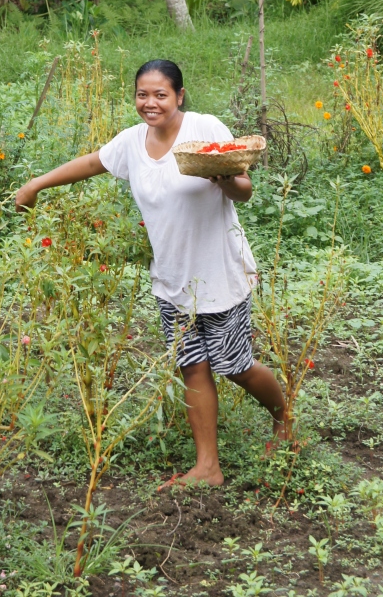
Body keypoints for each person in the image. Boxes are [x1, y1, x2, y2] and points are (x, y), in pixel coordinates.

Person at [15, 58, 285, 486]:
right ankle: (208, 467)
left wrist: (224, 180)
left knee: (235, 366)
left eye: (161, 94)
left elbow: (244, 190)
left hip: (218, 273)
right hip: (172, 278)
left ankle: (284, 418)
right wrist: (35, 184)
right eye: (143, 94)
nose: (150, 103)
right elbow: (91, 163)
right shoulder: (131, 142)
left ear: (179, 95)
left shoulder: (204, 128)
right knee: (192, 366)